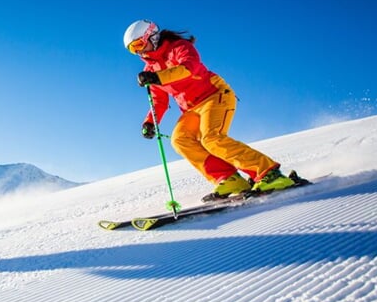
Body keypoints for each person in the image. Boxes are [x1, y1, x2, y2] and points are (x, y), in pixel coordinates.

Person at [123, 19, 297, 202]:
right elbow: (159, 101)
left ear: (153, 36)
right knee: (180, 140)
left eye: (139, 44)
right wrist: (150, 122)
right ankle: (229, 179)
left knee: (211, 138)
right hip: (191, 109)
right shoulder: (149, 69)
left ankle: (269, 173)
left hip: (215, 96)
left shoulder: (178, 47)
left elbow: (189, 68)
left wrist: (157, 77)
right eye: (133, 49)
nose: (139, 51)